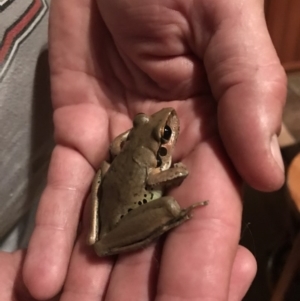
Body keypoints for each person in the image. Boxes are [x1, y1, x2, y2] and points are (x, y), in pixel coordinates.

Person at [0, 0, 286, 300]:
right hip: (119, 209)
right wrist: (177, 172)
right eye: (165, 135)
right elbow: (166, 176)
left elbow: (113, 153)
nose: (170, 125)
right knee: (171, 207)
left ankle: (104, 237)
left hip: (67, 199)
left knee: (106, 181)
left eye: (149, 125)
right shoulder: (147, 162)